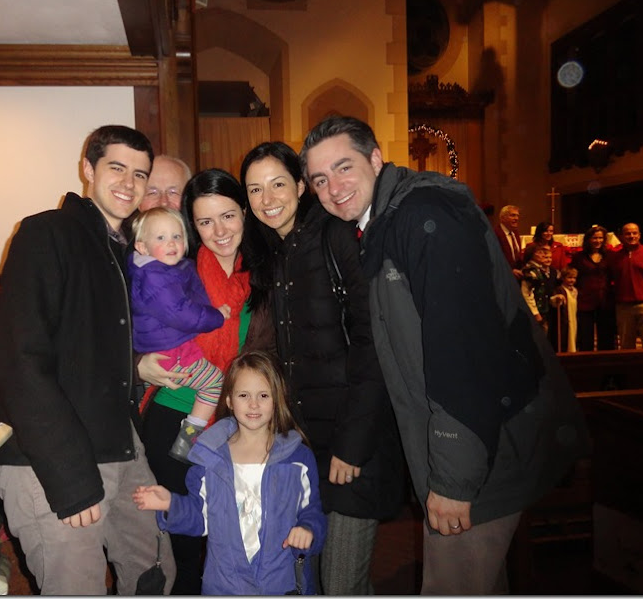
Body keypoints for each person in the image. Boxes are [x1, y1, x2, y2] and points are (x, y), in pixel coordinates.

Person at [301, 116, 589, 595]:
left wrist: (455, 479)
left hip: (484, 447)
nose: (334, 188)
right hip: (479, 444)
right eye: (320, 180)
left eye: (344, 167)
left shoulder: (423, 216)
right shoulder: (387, 222)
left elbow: (464, 349)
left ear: (376, 158)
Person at [0, 124, 176, 595]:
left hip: (121, 445)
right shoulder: (46, 233)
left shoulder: (128, 250)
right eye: (117, 168)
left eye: (140, 174)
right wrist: (70, 479)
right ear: (88, 169)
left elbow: (91, 342)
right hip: (53, 460)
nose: (129, 183)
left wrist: (138, 365)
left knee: (155, 574)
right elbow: (21, 362)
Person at [240, 141, 404, 595]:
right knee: (320, 578)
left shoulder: (334, 235)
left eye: (278, 184)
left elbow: (374, 341)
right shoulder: (277, 254)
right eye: (255, 190)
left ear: (300, 186)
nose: (267, 199)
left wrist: (352, 446)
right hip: (309, 450)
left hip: (352, 449)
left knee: (340, 583)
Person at [137, 168, 275, 595]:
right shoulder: (177, 270)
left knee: (237, 534)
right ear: (191, 226)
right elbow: (128, 325)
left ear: (245, 212)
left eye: (228, 216)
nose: (220, 231)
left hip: (244, 421)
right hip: (175, 417)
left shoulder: (268, 270)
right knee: (182, 540)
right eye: (205, 221)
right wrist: (137, 363)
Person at [133, 351, 327, 595]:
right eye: (244, 395)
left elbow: (313, 512)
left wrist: (308, 529)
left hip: (282, 584)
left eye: (263, 395)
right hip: (225, 585)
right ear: (229, 401)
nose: (254, 404)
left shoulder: (298, 458)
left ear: (277, 399)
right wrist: (170, 504)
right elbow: (200, 517)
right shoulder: (209, 458)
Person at [128, 206, 231, 462]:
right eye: (161, 238)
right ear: (142, 247)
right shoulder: (156, 277)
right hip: (171, 352)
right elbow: (183, 314)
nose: (171, 243)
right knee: (215, 383)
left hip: (161, 347)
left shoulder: (153, 270)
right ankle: (189, 437)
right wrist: (217, 316)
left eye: (177, 236)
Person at [569, 225, 616, 351]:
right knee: (585, 336)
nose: (598, 241)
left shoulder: (610, 256)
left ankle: (606, 361)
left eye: (600, 238)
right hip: (585, 300)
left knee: (607, 336)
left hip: (605, 300)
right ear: (588, 239)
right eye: (595, 238)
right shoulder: (579, 257)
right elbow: (572, 275)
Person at [607, 222, 643, 349]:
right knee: (626, 344)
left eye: (634, 233)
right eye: (628, 234)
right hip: (624, 306)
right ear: (621, 236)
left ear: (639, 235)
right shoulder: (614, 257)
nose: (631, 236)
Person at [521, 244, 564, 339]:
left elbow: (543, 290)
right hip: (535, 311)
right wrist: (535, 313)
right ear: (532, 255)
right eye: (539, 252)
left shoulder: (540, 270)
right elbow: (527, 294)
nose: (543, 255)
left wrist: (553, 299)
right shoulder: (530, 271)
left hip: (543, 310)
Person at [494, 204, 524, 279]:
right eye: (513, 215)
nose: (516, 218)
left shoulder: (515, 233)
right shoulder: (495, 234)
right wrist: (509, 271)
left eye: (517, 216)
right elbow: (495, 257)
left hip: (517, 276)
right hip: (503, 276)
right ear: (503, 218)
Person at [553, 266, 579, 353]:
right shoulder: (560, 289)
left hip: (573, 317)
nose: (572, 280)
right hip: (565, 318)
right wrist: (557, 298)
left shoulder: (575, 290)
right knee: (565, 337)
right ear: (563, 278)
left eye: (574, 278)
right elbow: (553, 301)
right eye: (569, 277)